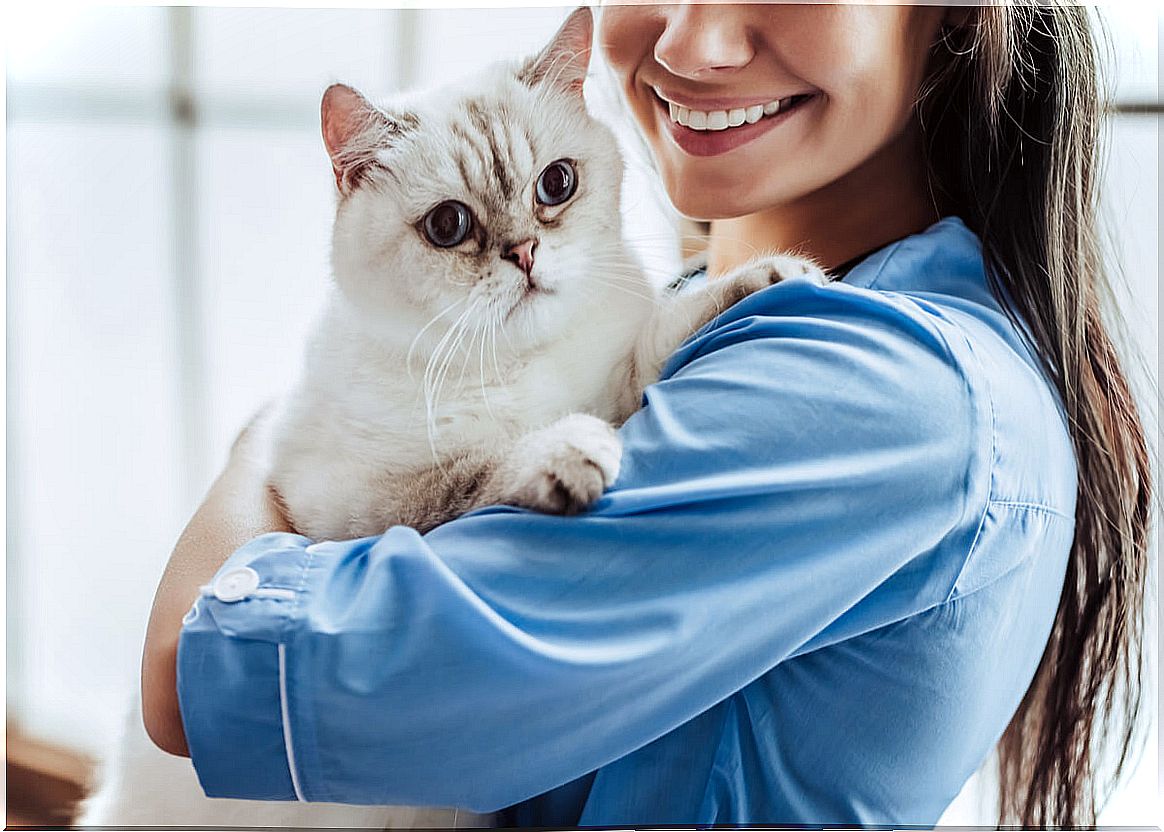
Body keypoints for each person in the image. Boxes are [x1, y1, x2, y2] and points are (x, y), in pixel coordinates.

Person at [140, 3, 1154, 826]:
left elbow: (199, 670)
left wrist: (256, 459)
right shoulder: (689, 311)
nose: (689, 42)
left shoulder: (884, 396)